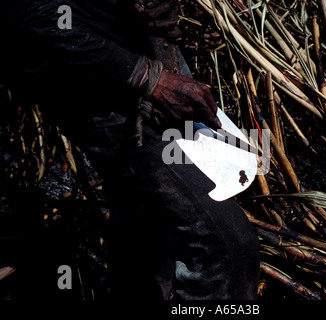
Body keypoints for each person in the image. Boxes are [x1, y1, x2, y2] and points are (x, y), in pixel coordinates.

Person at [0, 0, 260, 300]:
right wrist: (149, 79)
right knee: (226, 249)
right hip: (114, 93)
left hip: (152, 64)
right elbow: (39, 16)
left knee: (148, 233)